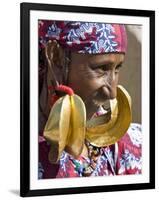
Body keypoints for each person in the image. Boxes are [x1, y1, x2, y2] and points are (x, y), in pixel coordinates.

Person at [38, 21, 142, 179]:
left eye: (118, 68)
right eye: (101, 69)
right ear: (56, 58)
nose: (112, 93)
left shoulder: (135, 145)